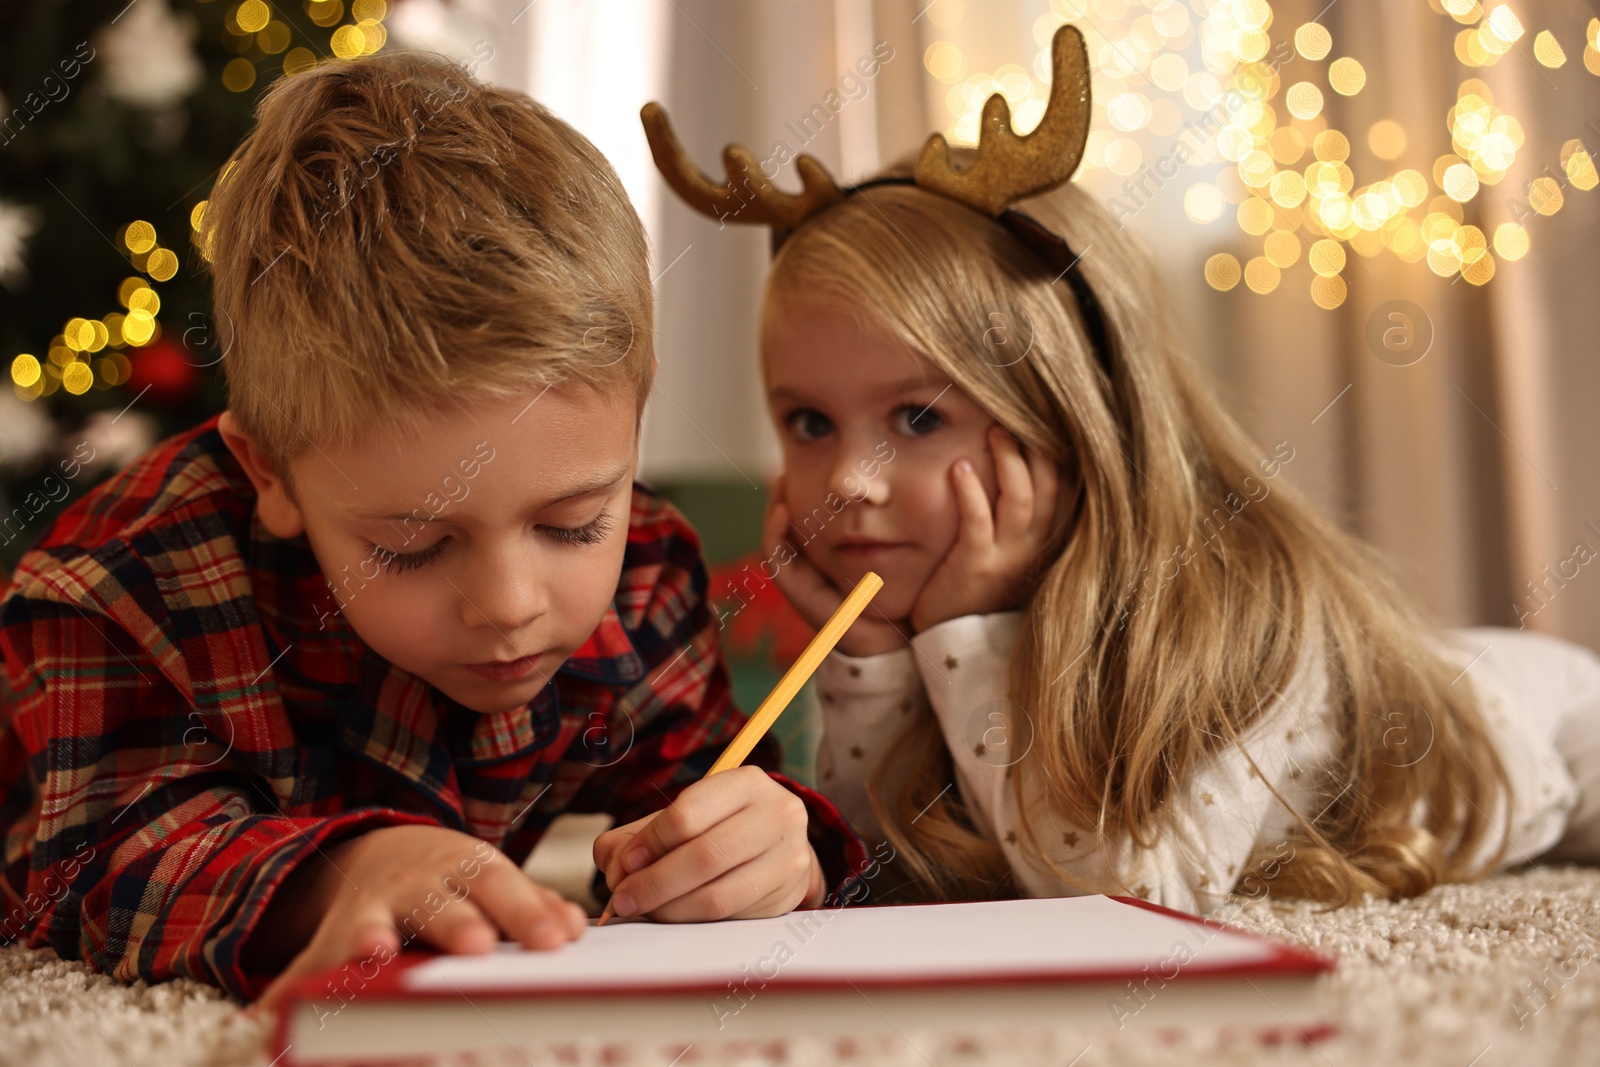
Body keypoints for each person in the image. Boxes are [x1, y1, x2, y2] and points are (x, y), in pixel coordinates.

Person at [643, 25, 1600, 914]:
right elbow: (904, 871)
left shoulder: (1231, 610)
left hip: (1546, 719)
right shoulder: (911, 611)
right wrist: (878, 658)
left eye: (918, 416)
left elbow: (1132, 895)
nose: (849, 478)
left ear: (1072, 420)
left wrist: (958, 632)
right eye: (808, 420)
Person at [0, 51, 870, 1005]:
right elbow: (94, 865)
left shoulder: (649, 573)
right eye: (411, 546)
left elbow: (703, 788)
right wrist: (341, 875)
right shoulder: (119, 585)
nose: (510, 606)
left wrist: (767, 843)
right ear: (271, 471)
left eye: (575, 524)